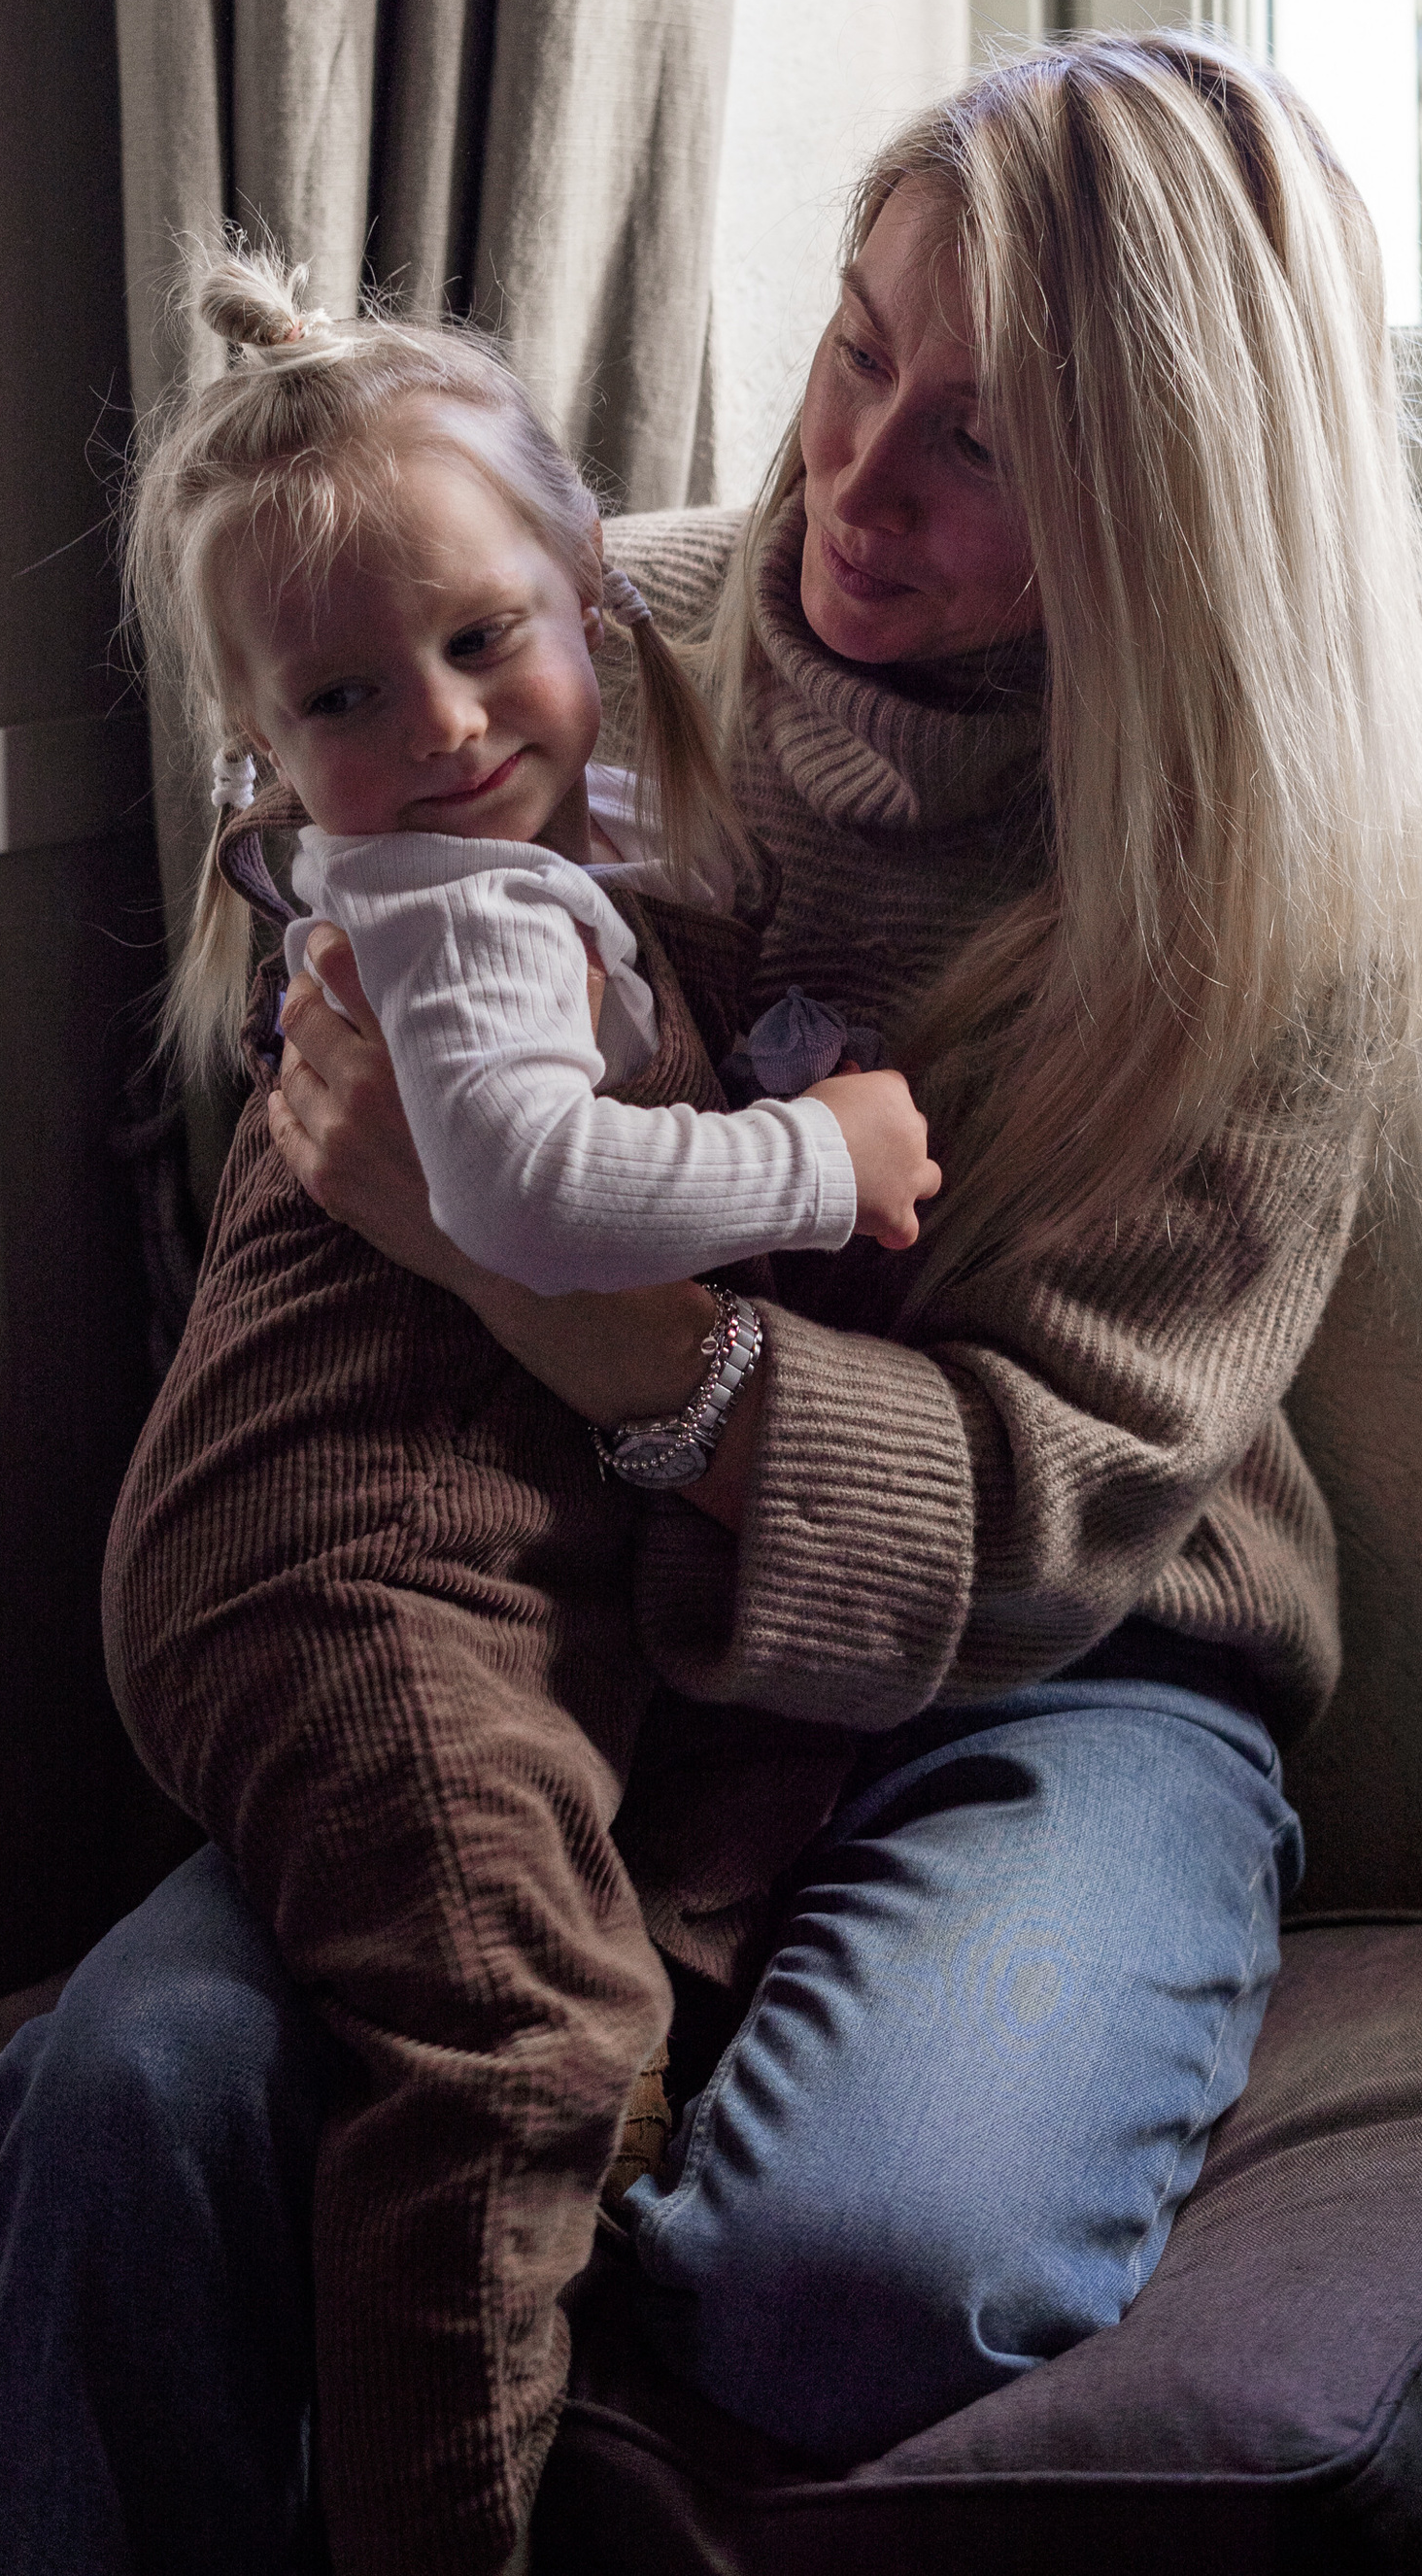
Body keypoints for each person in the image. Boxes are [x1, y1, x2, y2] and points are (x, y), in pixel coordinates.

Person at [0, 32, 1422, 2576]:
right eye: (853, 342)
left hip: (1058, 1671)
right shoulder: (587, 639)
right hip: (549, 1621)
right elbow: (336, 969)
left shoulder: (1264, 900)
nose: (855, 477)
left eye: (986, 446)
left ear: (1172, 509)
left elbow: (1042, 1518)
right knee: (132, 2104)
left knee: (847, 2272)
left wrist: (572, 1294)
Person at [94, 246, 942, 2576]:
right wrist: (821, 1155)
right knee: (520, 2036)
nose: (451, 722)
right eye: (354, 694)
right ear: (271, 757)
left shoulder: (537, 861)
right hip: (343, 1566)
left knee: (565, 1947)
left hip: (400, 1570)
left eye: (488, 640)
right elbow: (546, 1190)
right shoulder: (455, 916)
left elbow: (622, 1024)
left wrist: (763, 1039)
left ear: (590, 591)